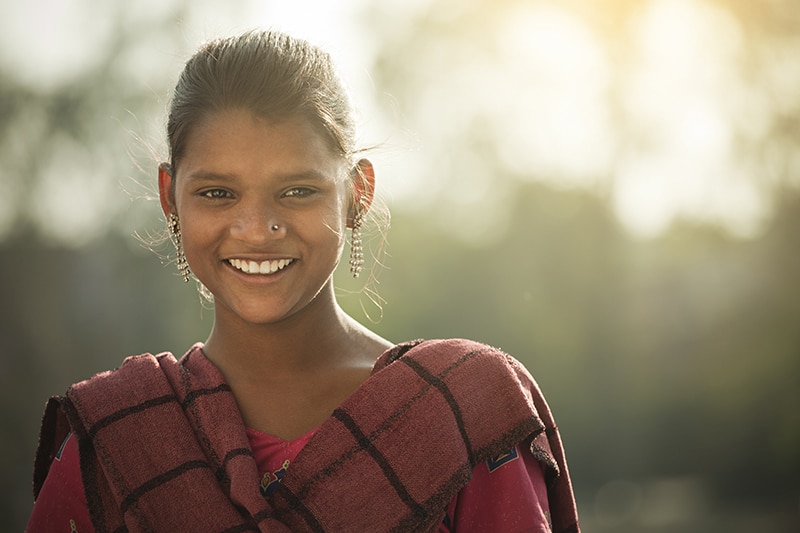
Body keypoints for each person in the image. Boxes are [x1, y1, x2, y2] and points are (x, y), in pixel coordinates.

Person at [26, 30, 580, 533]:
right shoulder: (119, 441)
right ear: (170, 196)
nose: (257, 229)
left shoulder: (462, 414)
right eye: (218, 193)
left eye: (297, 191)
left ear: (356, 193)